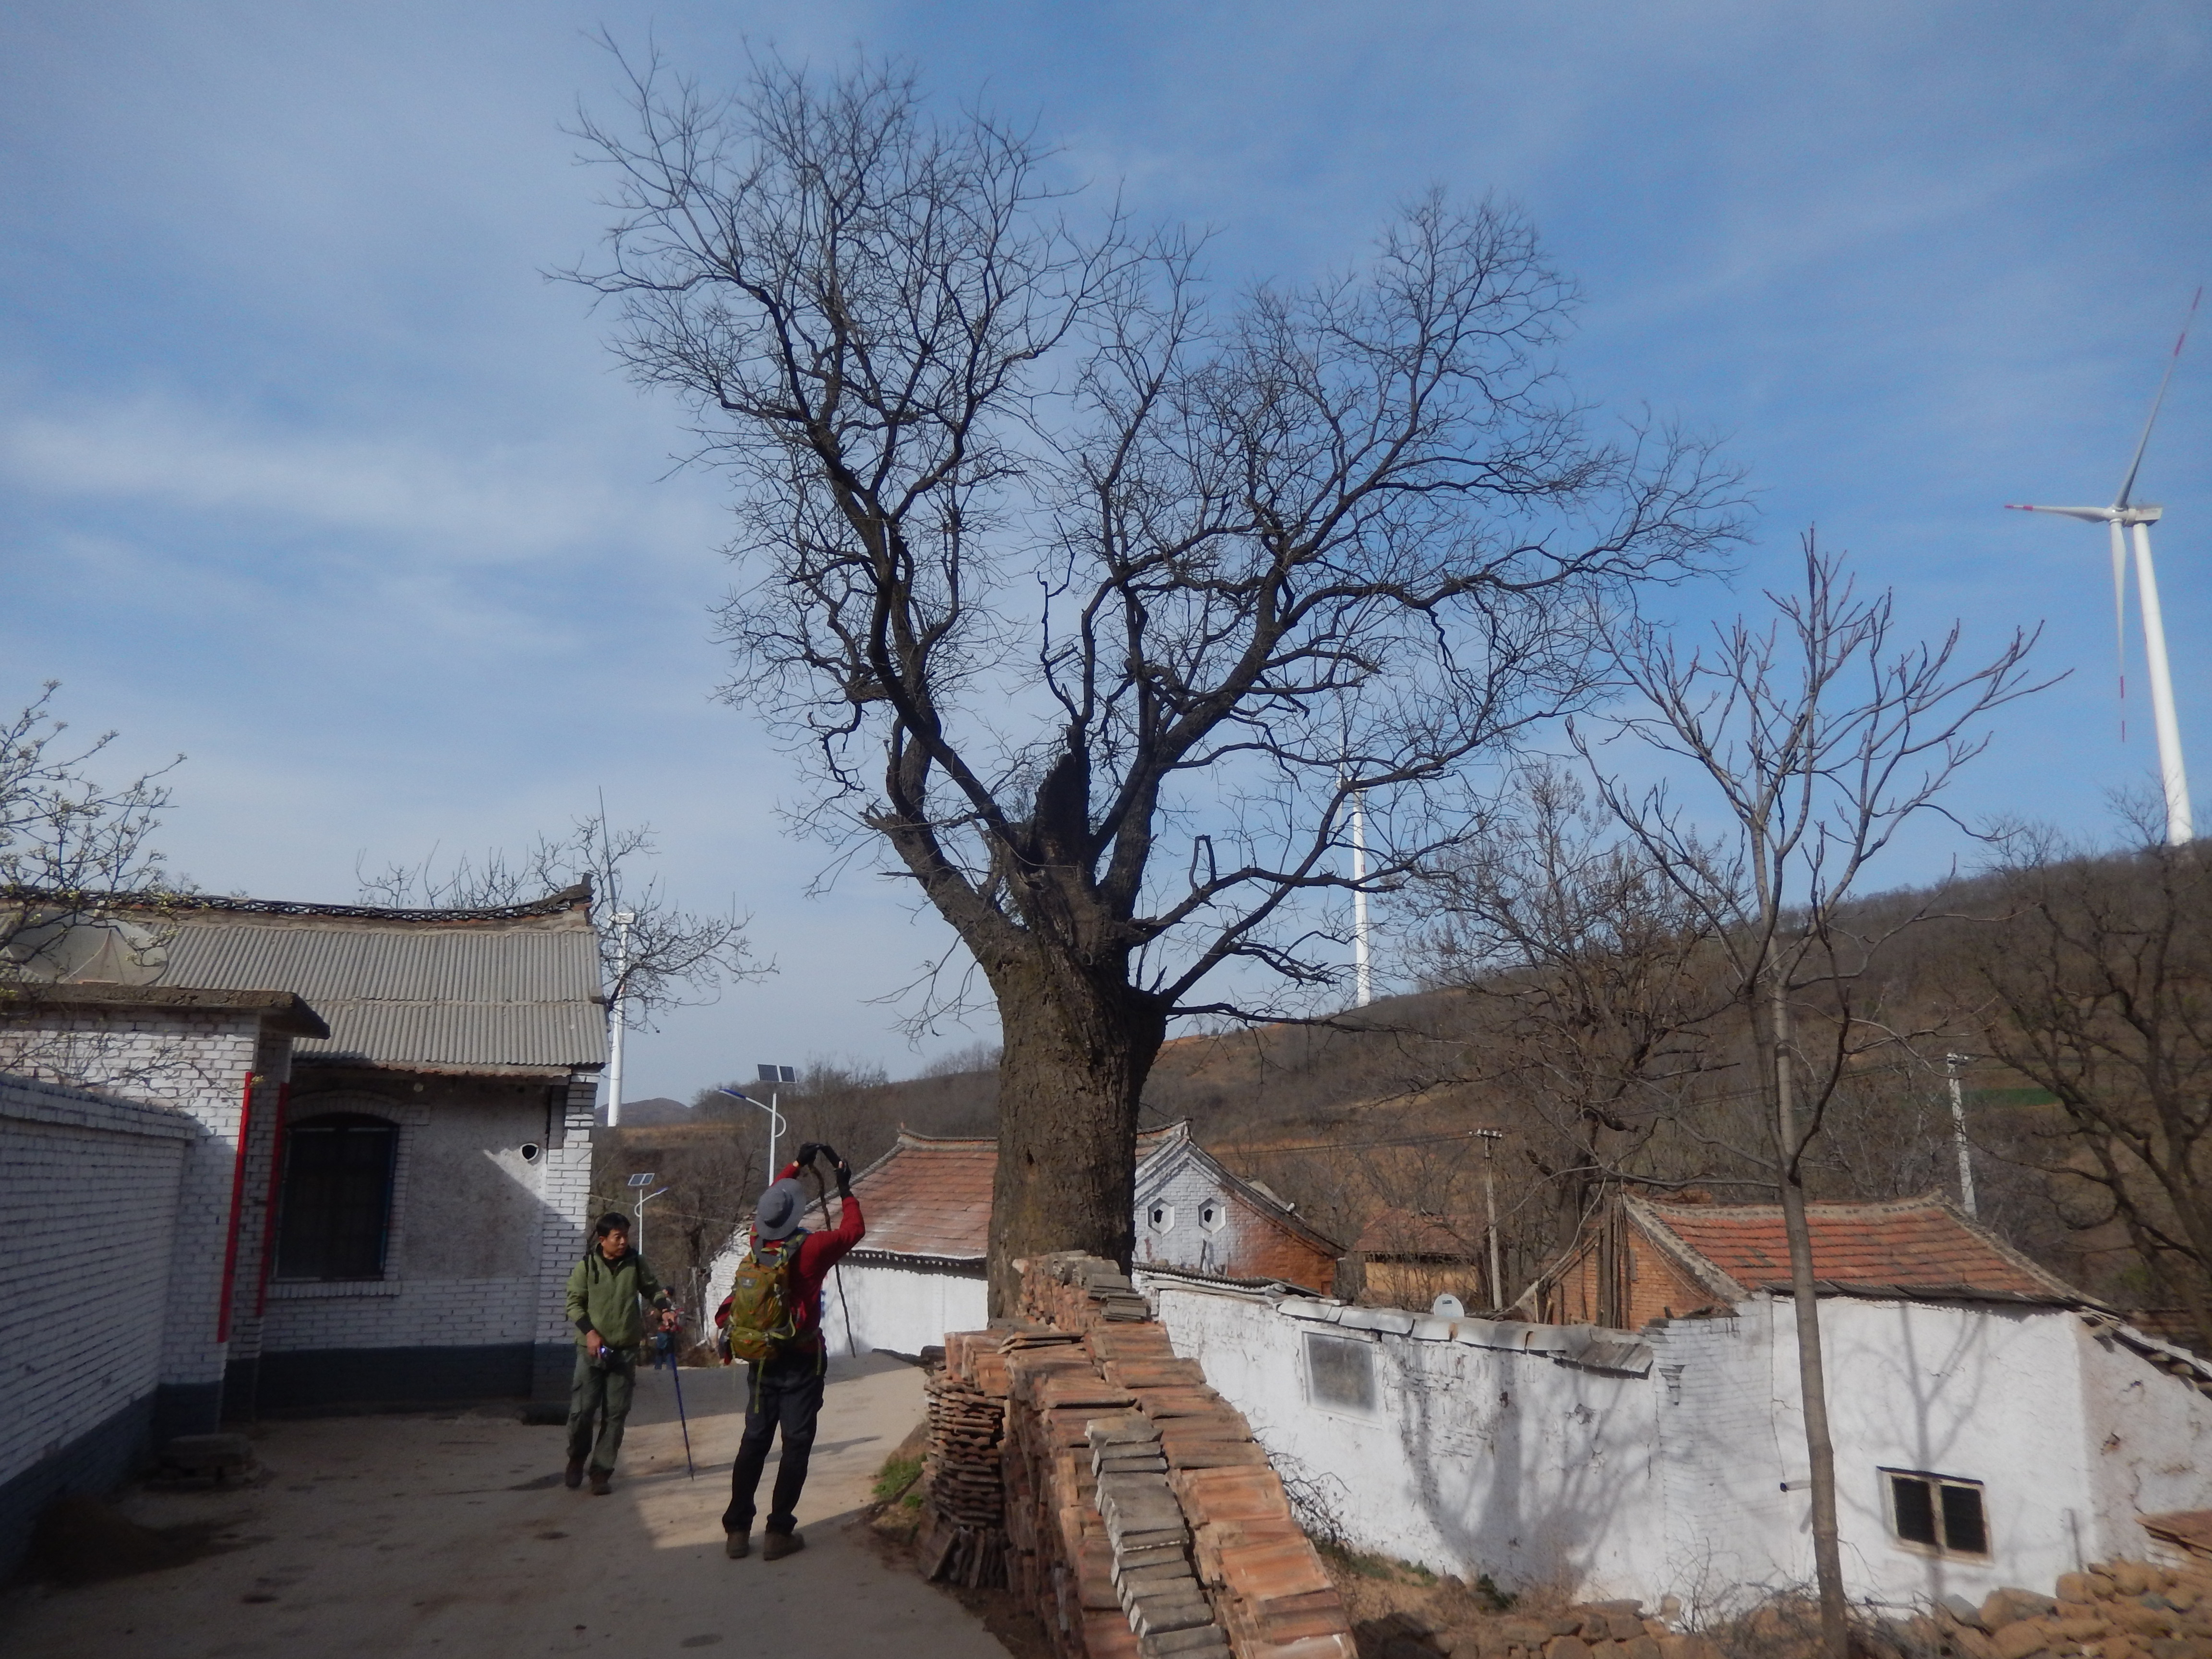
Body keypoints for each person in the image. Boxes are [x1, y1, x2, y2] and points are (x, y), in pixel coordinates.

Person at [719, 1142, 865, 1561]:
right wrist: (845, 1187)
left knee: (754, 1440)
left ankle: (737, 1530)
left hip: (761, 1358)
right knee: (796, 1443)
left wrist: (796, 1166)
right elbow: (854, 1230)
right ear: (796, 1217)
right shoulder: (812, 1249)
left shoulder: (755, 1242)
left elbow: (773, 1198)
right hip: (801, 1359)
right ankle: (779, 1532)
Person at [563, 1211, 677, 1495]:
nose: (624, 1241)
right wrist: (590, 1332)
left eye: (626, 1235)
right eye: (618, 1237)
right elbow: (574, 1304)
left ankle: (601, 1471)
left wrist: (665, 1310)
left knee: (616, 1414)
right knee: (582, 1411)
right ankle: (577, 1458)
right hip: (592, 1350)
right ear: (603, 1240)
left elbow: (653, 1288)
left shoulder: (635, 1263)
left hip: (625, 1350)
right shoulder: (587, 1267)